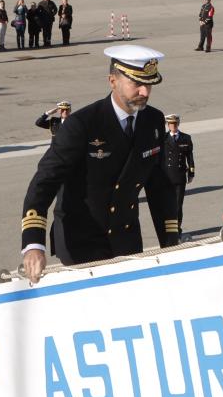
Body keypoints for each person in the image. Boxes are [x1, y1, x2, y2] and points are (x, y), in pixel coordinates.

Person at [20, 45, 179, 281]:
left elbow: (159, 187)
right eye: (137, 84)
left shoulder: (153, 121)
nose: (145, 92)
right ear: (112, 81)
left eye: (149, 84)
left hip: (126, 238)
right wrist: (33, 244)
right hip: (82, 241)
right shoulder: (82, 125)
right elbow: (44, 182)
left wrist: (171, 243)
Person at [154, 114, 194, 243]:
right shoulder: (163, 139)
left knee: (178, 205)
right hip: (166, 177)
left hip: (179, 177)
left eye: (175, 124)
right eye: (171, 124)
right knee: (166, 205)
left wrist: (191, 172)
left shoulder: (186, 138)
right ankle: (168, 230)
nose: (173, 126)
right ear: (168, 125)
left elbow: (190, 157)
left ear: (178, 124)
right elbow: (159, 159)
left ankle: (177, 229)